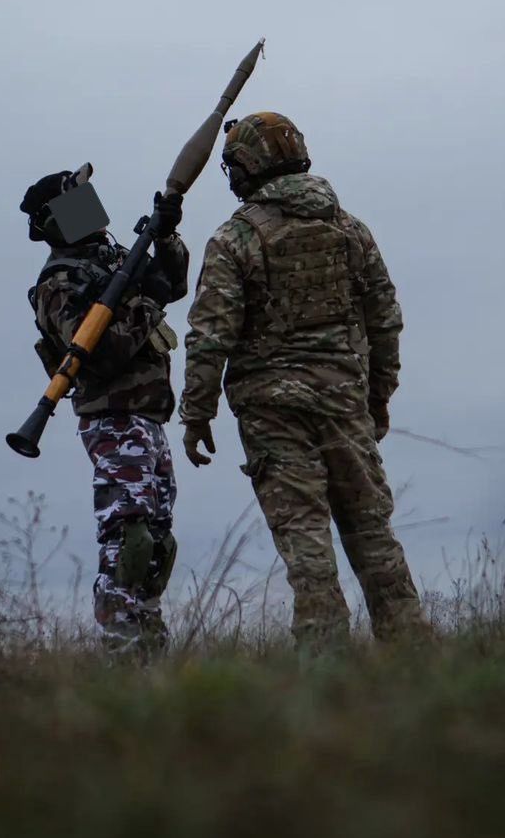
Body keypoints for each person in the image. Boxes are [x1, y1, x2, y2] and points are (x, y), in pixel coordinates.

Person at [178, 112, 427, 648]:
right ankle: (412, 656)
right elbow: (386, 321)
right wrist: (376, 401)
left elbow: (210, 334)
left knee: (306, 544)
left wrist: (196, 414)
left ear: (247, 168)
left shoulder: (235, 238)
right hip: (345, 404)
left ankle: (325, 670)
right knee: (374, 538)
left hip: (273, 414)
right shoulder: (350, 229)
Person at [20, 165, 188, 655]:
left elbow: (171, 283)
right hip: (112, 418)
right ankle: (123, 653)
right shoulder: (60, 281)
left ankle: (148, 650)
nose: (89, 207)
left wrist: (167, 235)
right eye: (77, 201)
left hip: (148, 417)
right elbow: (102, 350)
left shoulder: (113, 257)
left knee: (156, 547)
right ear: (56, 220)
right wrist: (147, 299)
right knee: (128, 543)